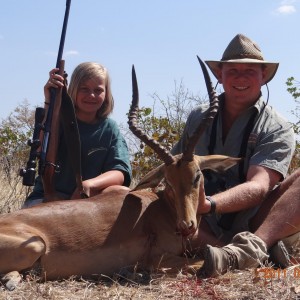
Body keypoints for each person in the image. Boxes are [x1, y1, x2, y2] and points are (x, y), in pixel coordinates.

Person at [172, 33, 298, 276]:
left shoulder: (277, 126)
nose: (241, 77)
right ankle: (234, 253)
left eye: (250, 71)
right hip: (197, 222)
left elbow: (259, 186)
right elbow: (175, 167)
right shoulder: (199, 117)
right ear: (220, 76)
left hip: (253, 220)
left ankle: (250, 250)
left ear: (263, 77)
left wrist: (209, 204)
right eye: (233, 71)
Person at [23, 62, 132, 208]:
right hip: (44, 200)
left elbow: (120, 172)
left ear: (106, 94)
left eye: (98, 90)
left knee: (120, 192)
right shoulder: (57, 120)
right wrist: (50, 101)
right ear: (73, 90)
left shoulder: (109, 128)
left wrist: (88, 185)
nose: (91, 95)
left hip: (84, 202)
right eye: (84, 89)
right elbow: (39, 150)